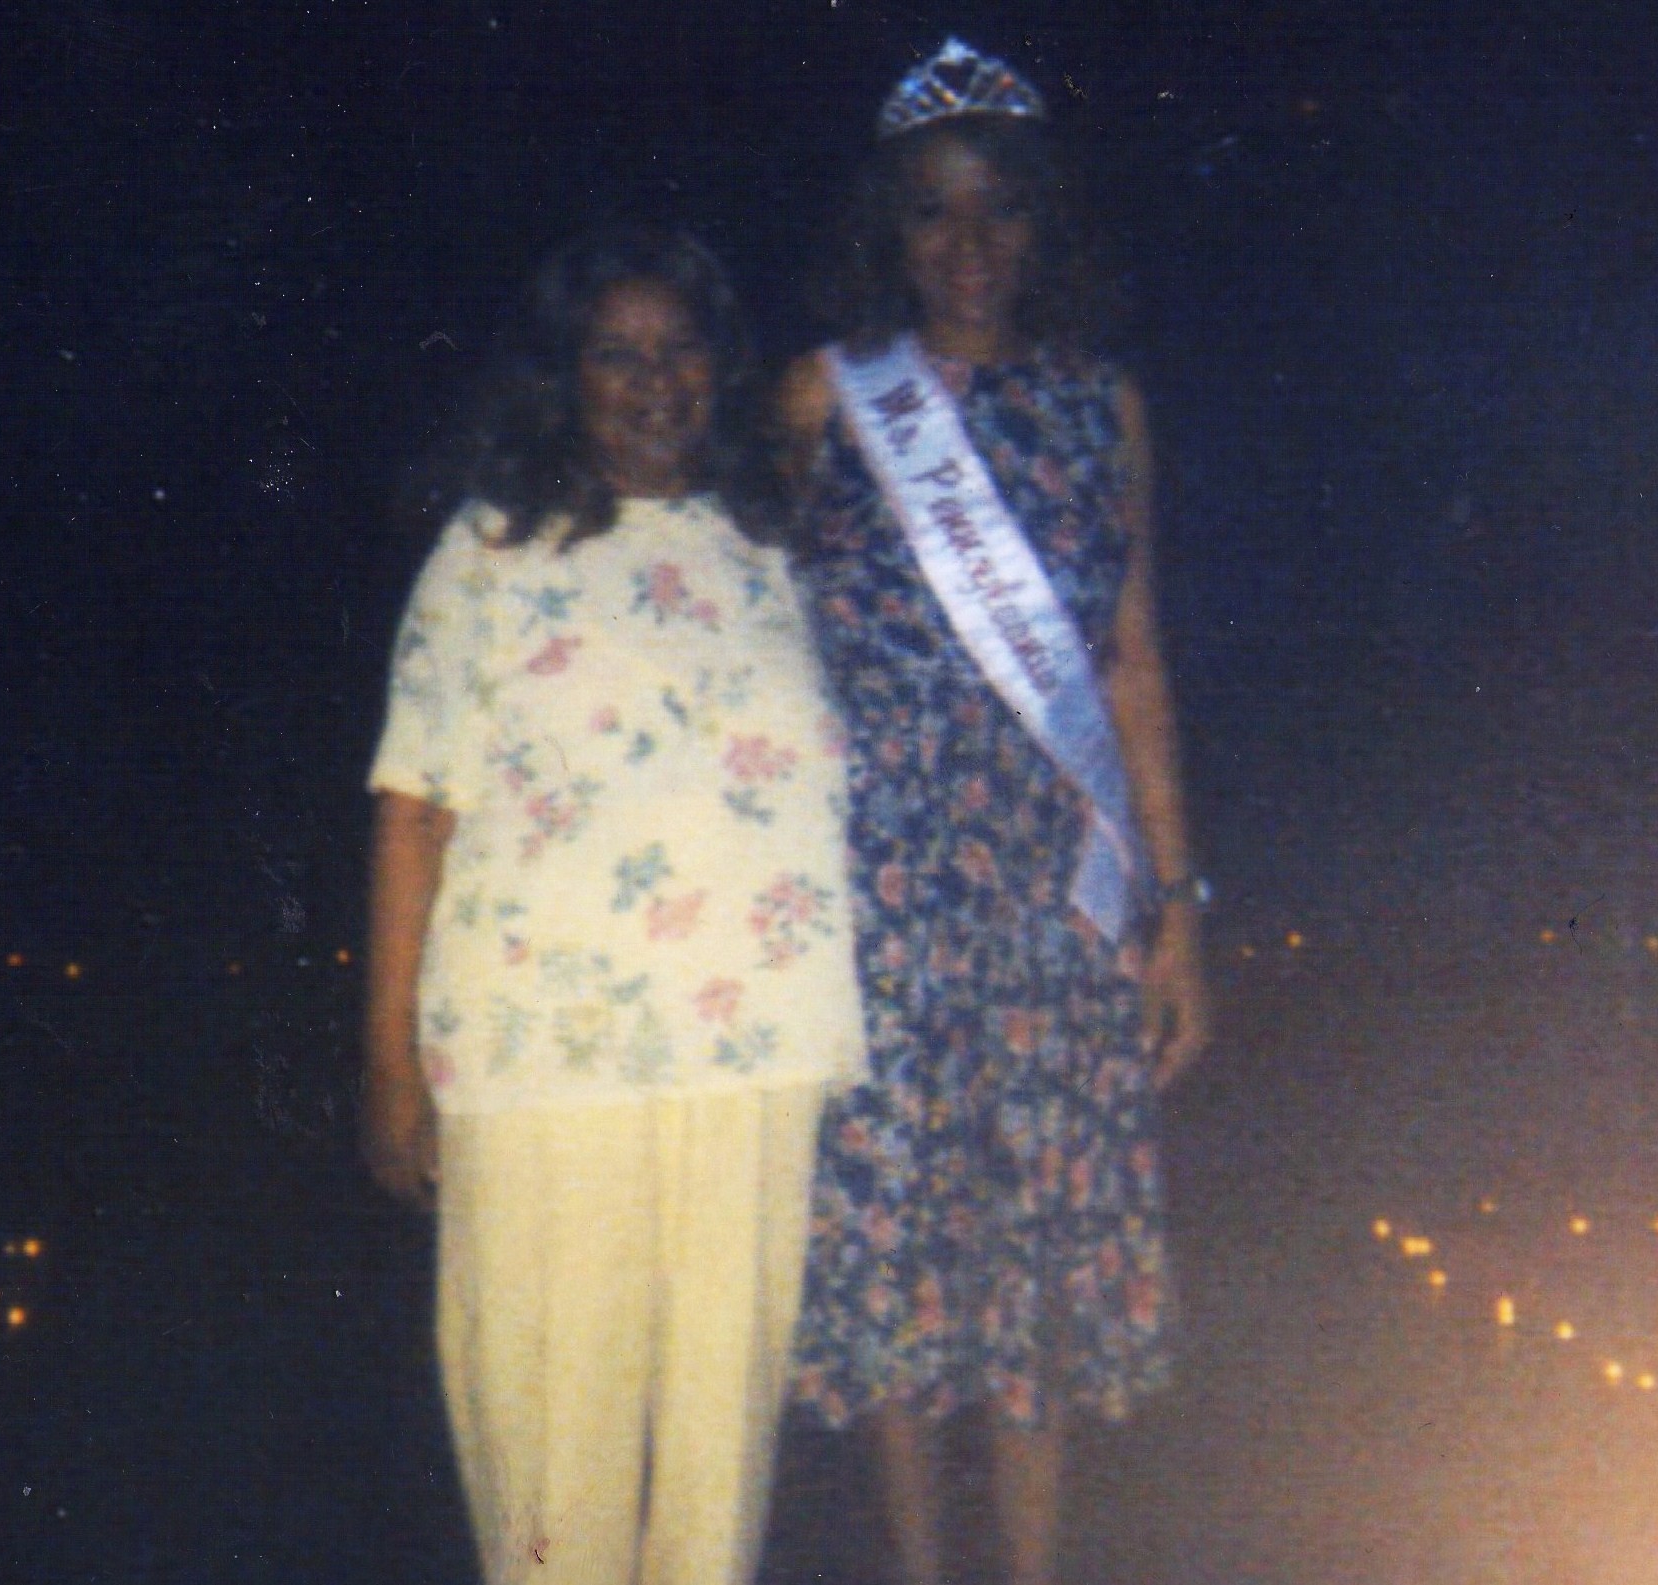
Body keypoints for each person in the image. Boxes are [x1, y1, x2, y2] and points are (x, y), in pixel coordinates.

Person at [360, 225, 867, 1585]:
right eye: (616, 352)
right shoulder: (489, 552)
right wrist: (386, 1063)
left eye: (681, 345)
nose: (654, 378)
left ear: (723, 365)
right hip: (540, 1062)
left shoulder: (772, 547)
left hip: (750, 1056)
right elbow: (412, 808)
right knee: (548, 1464)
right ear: (564, 376)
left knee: (715, 1478)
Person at [776, 41, 1213, 1585]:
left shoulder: (1105, 408)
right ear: (887, 232)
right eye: (931, 218)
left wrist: (1178, 916)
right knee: (901, 1257)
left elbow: (1132, 661)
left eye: (997, 215)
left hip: (1054, 895)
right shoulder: (827, 400)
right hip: (882, 888)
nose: (967, 251)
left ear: (1040, 226)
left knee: (1035, 1259)